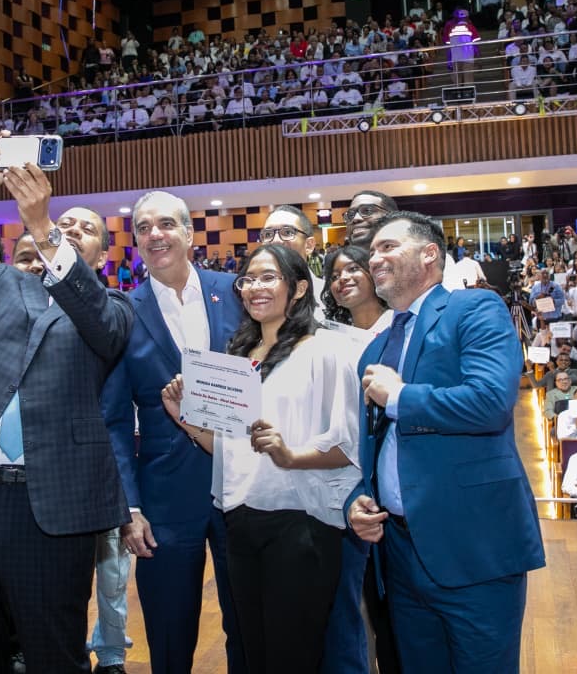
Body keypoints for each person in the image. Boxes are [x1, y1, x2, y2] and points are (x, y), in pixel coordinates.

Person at [0, 141, 134, 673]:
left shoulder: (115, 306)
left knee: (53, 653)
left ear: (103, 256)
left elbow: (100, 325)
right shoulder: (2, 284)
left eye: (86, 229)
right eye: (65, 223)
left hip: (53, 505)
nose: (71, 229)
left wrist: (45, 227)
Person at [348, 211, 544, 673]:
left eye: (388, 247)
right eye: (371, 251)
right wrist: (361, 496)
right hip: (400, 552)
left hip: (472, 545)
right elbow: (377, 443)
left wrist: (400, 396)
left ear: (429, 254)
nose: (374, 258)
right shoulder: (375, 347)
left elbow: (490, 402)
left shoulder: (474, 309)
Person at [160, 244, 361, 674]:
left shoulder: (327, 350)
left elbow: (348, 447)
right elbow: (228, 450)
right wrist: (186, 419)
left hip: (302, 522)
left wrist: (290, 456)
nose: (255, 287)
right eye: (248, 279)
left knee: (293, 656)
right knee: (253, 650)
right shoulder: (238, 356)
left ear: (299, 288)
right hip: (241, 520)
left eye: (268, 277)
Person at [100, 191, 246, 674]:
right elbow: (115, 419)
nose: (154, 234)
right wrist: (130, 507)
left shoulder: (237, 292)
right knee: (168, 632)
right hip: (162, 498)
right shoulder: (123, 310)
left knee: (250, 624)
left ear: (189, 232)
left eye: (165, 223)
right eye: (143, 228)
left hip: (244, 485)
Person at [321, 245, 397, 674]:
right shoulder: (328, 337)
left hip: (392, 474)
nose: (343, 279)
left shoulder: (400, 328)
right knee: (352, 602)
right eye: (334, 274)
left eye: (353, 269)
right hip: (345, 479)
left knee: (395, 609)